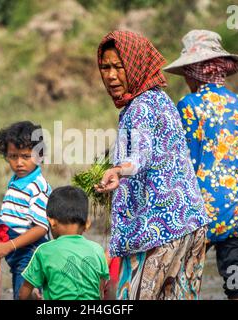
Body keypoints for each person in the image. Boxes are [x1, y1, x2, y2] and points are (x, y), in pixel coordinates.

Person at [164, 29, 238, 300]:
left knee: (184, 284)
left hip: (199, 216)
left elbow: (185, 165)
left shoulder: (188, 106)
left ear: (194, 73)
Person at [94, 30, 210, 300]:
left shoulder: (140, 107)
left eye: (118, 67)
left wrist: (120, 169)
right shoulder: (160, 100)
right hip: (190, 222)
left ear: (134, 65)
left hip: (159, 229)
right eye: (105, 67)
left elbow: (141, 155)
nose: (110, 76)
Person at [0, 121, 51, 299]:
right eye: (13, 156)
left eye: (25, 156)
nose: (19, 163)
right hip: (15, 251)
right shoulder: (16, 180)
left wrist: (9, 245)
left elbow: (41, 228)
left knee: (23, 293)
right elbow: (17, 219)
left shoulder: (37, 186)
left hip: (29, 254)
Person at [19, 186, 109, 300]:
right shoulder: (98, 250)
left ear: (51, 222)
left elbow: (23, 294)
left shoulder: (44, 251)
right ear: (87, 224)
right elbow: (99, 291)